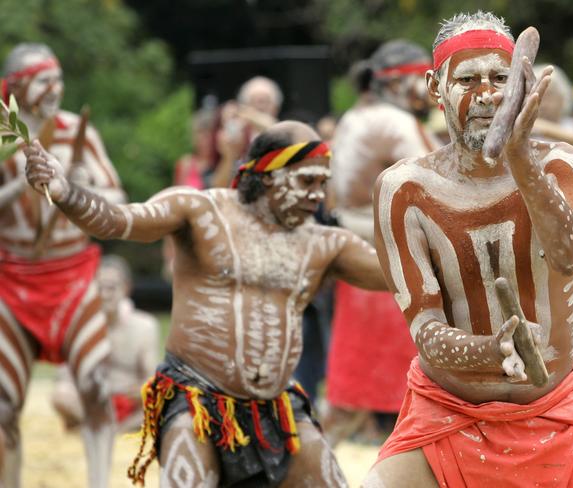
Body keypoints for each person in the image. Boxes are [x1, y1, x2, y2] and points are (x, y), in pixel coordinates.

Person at [365, 11, 573, 487]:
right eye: (468, 79)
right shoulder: (403, 189)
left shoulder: (565, 165)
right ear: (436, 89)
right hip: (447, 419)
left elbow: (569, 257)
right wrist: (490, 350)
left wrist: (520, 159)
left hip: (558, 412)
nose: (488, 94)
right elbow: (426, 331)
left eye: (500, 78)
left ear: (523, 84)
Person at [24, 120, 387, 487]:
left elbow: (401, 274)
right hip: (195, 399)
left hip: (277, 408)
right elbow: (120, 221)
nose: (317, 196)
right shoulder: (199, 211)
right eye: (306, 181)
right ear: (267, 174)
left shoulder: (325, 244)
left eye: (322, 184)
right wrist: (66, 191)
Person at [0, 43, 125, 488]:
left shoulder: (77, 131)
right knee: (2, 404)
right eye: (44, 79)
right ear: (15, 86)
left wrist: (78, 185)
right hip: (12, 280)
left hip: (73, 274)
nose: (56, 89)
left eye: (58, 78)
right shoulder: (0, 134)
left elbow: (118, 199)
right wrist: (20, 184)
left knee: (94, 383)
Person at [324, 39, 439, 447]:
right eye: (422, 80)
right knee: (405, 387)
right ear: (397, 83)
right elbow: (441, 183)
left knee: (355, 395)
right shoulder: (394, 123)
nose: (431, 90)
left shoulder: (359, 116)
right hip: (387, 261)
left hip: (366, 256)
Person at [51, 255, 160, 433]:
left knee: (162, 401)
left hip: (129, 406)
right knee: (62, 394)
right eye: (99, 288)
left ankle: (109, 429)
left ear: (126, 288)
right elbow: (64, 377)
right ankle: (95, 425)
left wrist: (138, 391)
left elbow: (151, 380)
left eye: (111, 287)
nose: (105, 294)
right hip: (88, 404)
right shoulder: (76, 325)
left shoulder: (145, 326)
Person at [211, 76, 283, 188]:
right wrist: (229, 156)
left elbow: (276, 129)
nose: (260, 105)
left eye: (265, 101)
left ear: (276, 107)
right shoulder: (239, 135)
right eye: (255, 101)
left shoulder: (282, 131)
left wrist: (244, 112)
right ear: (246, 104)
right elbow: (217, 185)